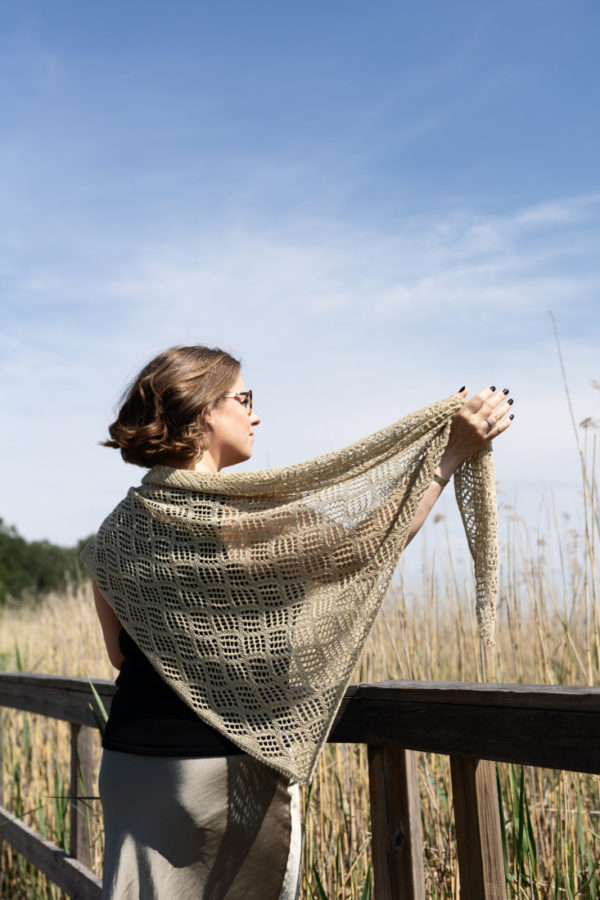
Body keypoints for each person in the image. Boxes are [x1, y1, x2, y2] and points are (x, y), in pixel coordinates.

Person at [84, 345, 514, 899]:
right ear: (203, 411)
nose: (255, 414)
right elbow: (364, 547)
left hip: (132, 768)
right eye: (244, 398)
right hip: (224, 773)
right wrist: (448, 455)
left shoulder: (116, 530)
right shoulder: (244, 515)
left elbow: (121, 654)